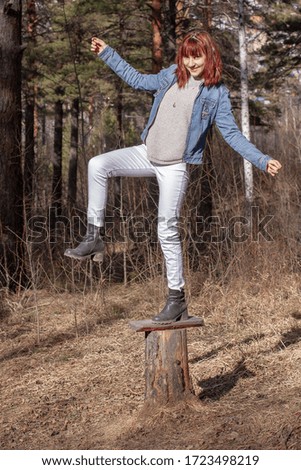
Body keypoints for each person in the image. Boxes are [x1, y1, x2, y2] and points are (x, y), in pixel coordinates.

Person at [64, 31, 282, 324]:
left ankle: (176, 299)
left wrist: (261, 159)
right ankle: (94, 237)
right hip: (146, 152)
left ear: (209, 56)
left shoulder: (216, 93)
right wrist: (107, 53)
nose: (192, 62)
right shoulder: (170, 75)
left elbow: (231, 135)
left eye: (198, 56)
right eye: (188, 56)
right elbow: (137, 80)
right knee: (97, 164)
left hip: (175, 166)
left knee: (166, 230)